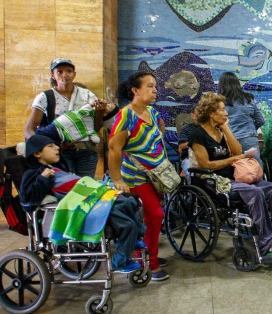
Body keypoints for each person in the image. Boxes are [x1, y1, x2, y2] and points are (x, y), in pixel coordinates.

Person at [189, 93, 272, 258]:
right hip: (215, 182)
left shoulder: (220, 130)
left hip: (235, 178)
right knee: (256, 192)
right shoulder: (197, 135)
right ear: (211, 113)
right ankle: (266, 243)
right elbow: (206, 165)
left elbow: (237, 151)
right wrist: (233, 158)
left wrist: (225, 128)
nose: (226, 113)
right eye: (223, 110)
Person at [21, 135, 145, 273]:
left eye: (55, 145)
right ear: (37, 153)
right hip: (85, 204)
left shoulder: (57, 167)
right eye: (50, 146)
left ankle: (136, 237)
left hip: (93, 195)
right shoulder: (33, 174)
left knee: (130, 200)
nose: (57, 147)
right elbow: (27, 199)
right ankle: (119, 261)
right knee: (126, 222)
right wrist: (43, 178)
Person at [108, 72, 169, 282]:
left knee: (150, 218)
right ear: (135, 90)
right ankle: (150, 263)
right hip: (135, 177)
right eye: (150, 86)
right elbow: (114, 148)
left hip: (155, 176)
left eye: (155, 86)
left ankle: (147, 253)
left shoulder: (152, 112)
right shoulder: (126, 115)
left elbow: (160, 126)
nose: (155, 90)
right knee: (156, 215)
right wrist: (117, 179)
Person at [25, 58, 107, 178]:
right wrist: (43, 148)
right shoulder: (45, 97)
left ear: (74, 74)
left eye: (69, 71)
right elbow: (29, 129)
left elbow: (94, 127)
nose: (65, 75)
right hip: (60, 152)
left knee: (85, 186)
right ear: (53, 75)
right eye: (59, 72)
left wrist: (100, 112)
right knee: (65, 186)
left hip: (86, 150)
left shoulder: (87, 95)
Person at [217, 72, 266, 167]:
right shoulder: (248, 99)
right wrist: (251, 129)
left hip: (230, 141)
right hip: (250, 139)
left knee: (237, 169)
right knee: (255, 167)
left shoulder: (221, 103)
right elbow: (261, 120)